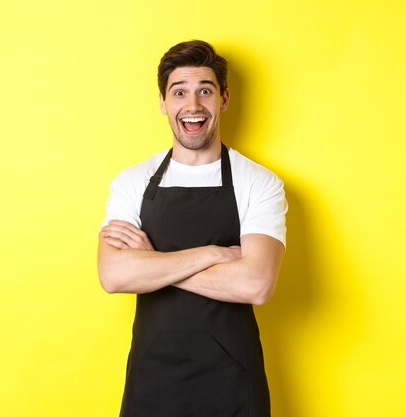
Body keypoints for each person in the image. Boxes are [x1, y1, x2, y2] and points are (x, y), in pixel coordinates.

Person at [98, 40, 287, 417]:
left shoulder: (259, 182)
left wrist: (152, 264)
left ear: (224, 99)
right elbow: (114, 275)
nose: (193, 105)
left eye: (205, 90)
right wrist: (214, 254)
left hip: (232, 379)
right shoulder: (133, 181)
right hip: (152, 379)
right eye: (179, 92)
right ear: (163, 103)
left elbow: (257, 285)